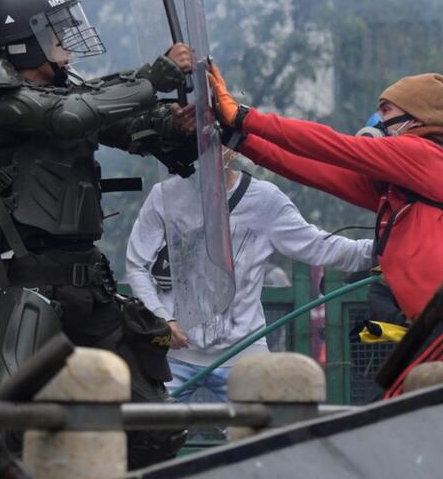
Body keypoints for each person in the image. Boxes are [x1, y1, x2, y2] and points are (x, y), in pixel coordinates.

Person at [0, 0, 198, 468]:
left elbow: (122, 123)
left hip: (89, 278)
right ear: (23, 40)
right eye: (54, 30)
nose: (66, 39)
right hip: (27, 281)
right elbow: (67, 118)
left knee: (156, 426)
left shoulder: (64, 88)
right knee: (7, 433)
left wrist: (177, 127)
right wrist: (154, 77)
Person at [208, 65, 443, 397]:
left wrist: (242, 116)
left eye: (385, 110)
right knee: (398, 415)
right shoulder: (399, 188)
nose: (376, 120)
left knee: (393, 416)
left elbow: (331, 145)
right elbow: (312, 168)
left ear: (415, 118)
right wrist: (238, 139)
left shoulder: (421, 155)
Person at [126, 148, 373, 402]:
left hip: (244, 351)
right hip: (174, 354)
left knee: (263, 433)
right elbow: (137, 265)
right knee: (153, 434)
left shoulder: (264, 200)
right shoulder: (165, 195)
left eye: (217, 139)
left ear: (233, 148)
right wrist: (162, 319)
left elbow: (318, 246)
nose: (207, 149)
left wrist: (380, 249)